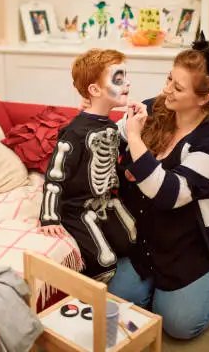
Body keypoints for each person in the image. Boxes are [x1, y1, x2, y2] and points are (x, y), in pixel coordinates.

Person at [108, 33, 209, 340]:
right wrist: (94, 115)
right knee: (115, 301)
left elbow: (169, 194)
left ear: (204, 98)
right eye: (169, 78)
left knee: (179, 325)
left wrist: (136, 140)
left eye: (177, 87)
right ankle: (157, 287)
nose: (166, 89)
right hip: (147, 234)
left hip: (193, 242)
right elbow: (111, 137)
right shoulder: (155, 108)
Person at [38, 48, 138, 283]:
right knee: (103, 261)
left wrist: (127, 172)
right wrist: (49, 217)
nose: (128, 84)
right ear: (94, 90)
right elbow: (55, 175)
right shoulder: (74, 133)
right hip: (76, 208)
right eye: (119, 80)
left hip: (102, 201)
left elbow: (110, 164)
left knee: (131, 239)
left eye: (126, 78)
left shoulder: (111, 127)